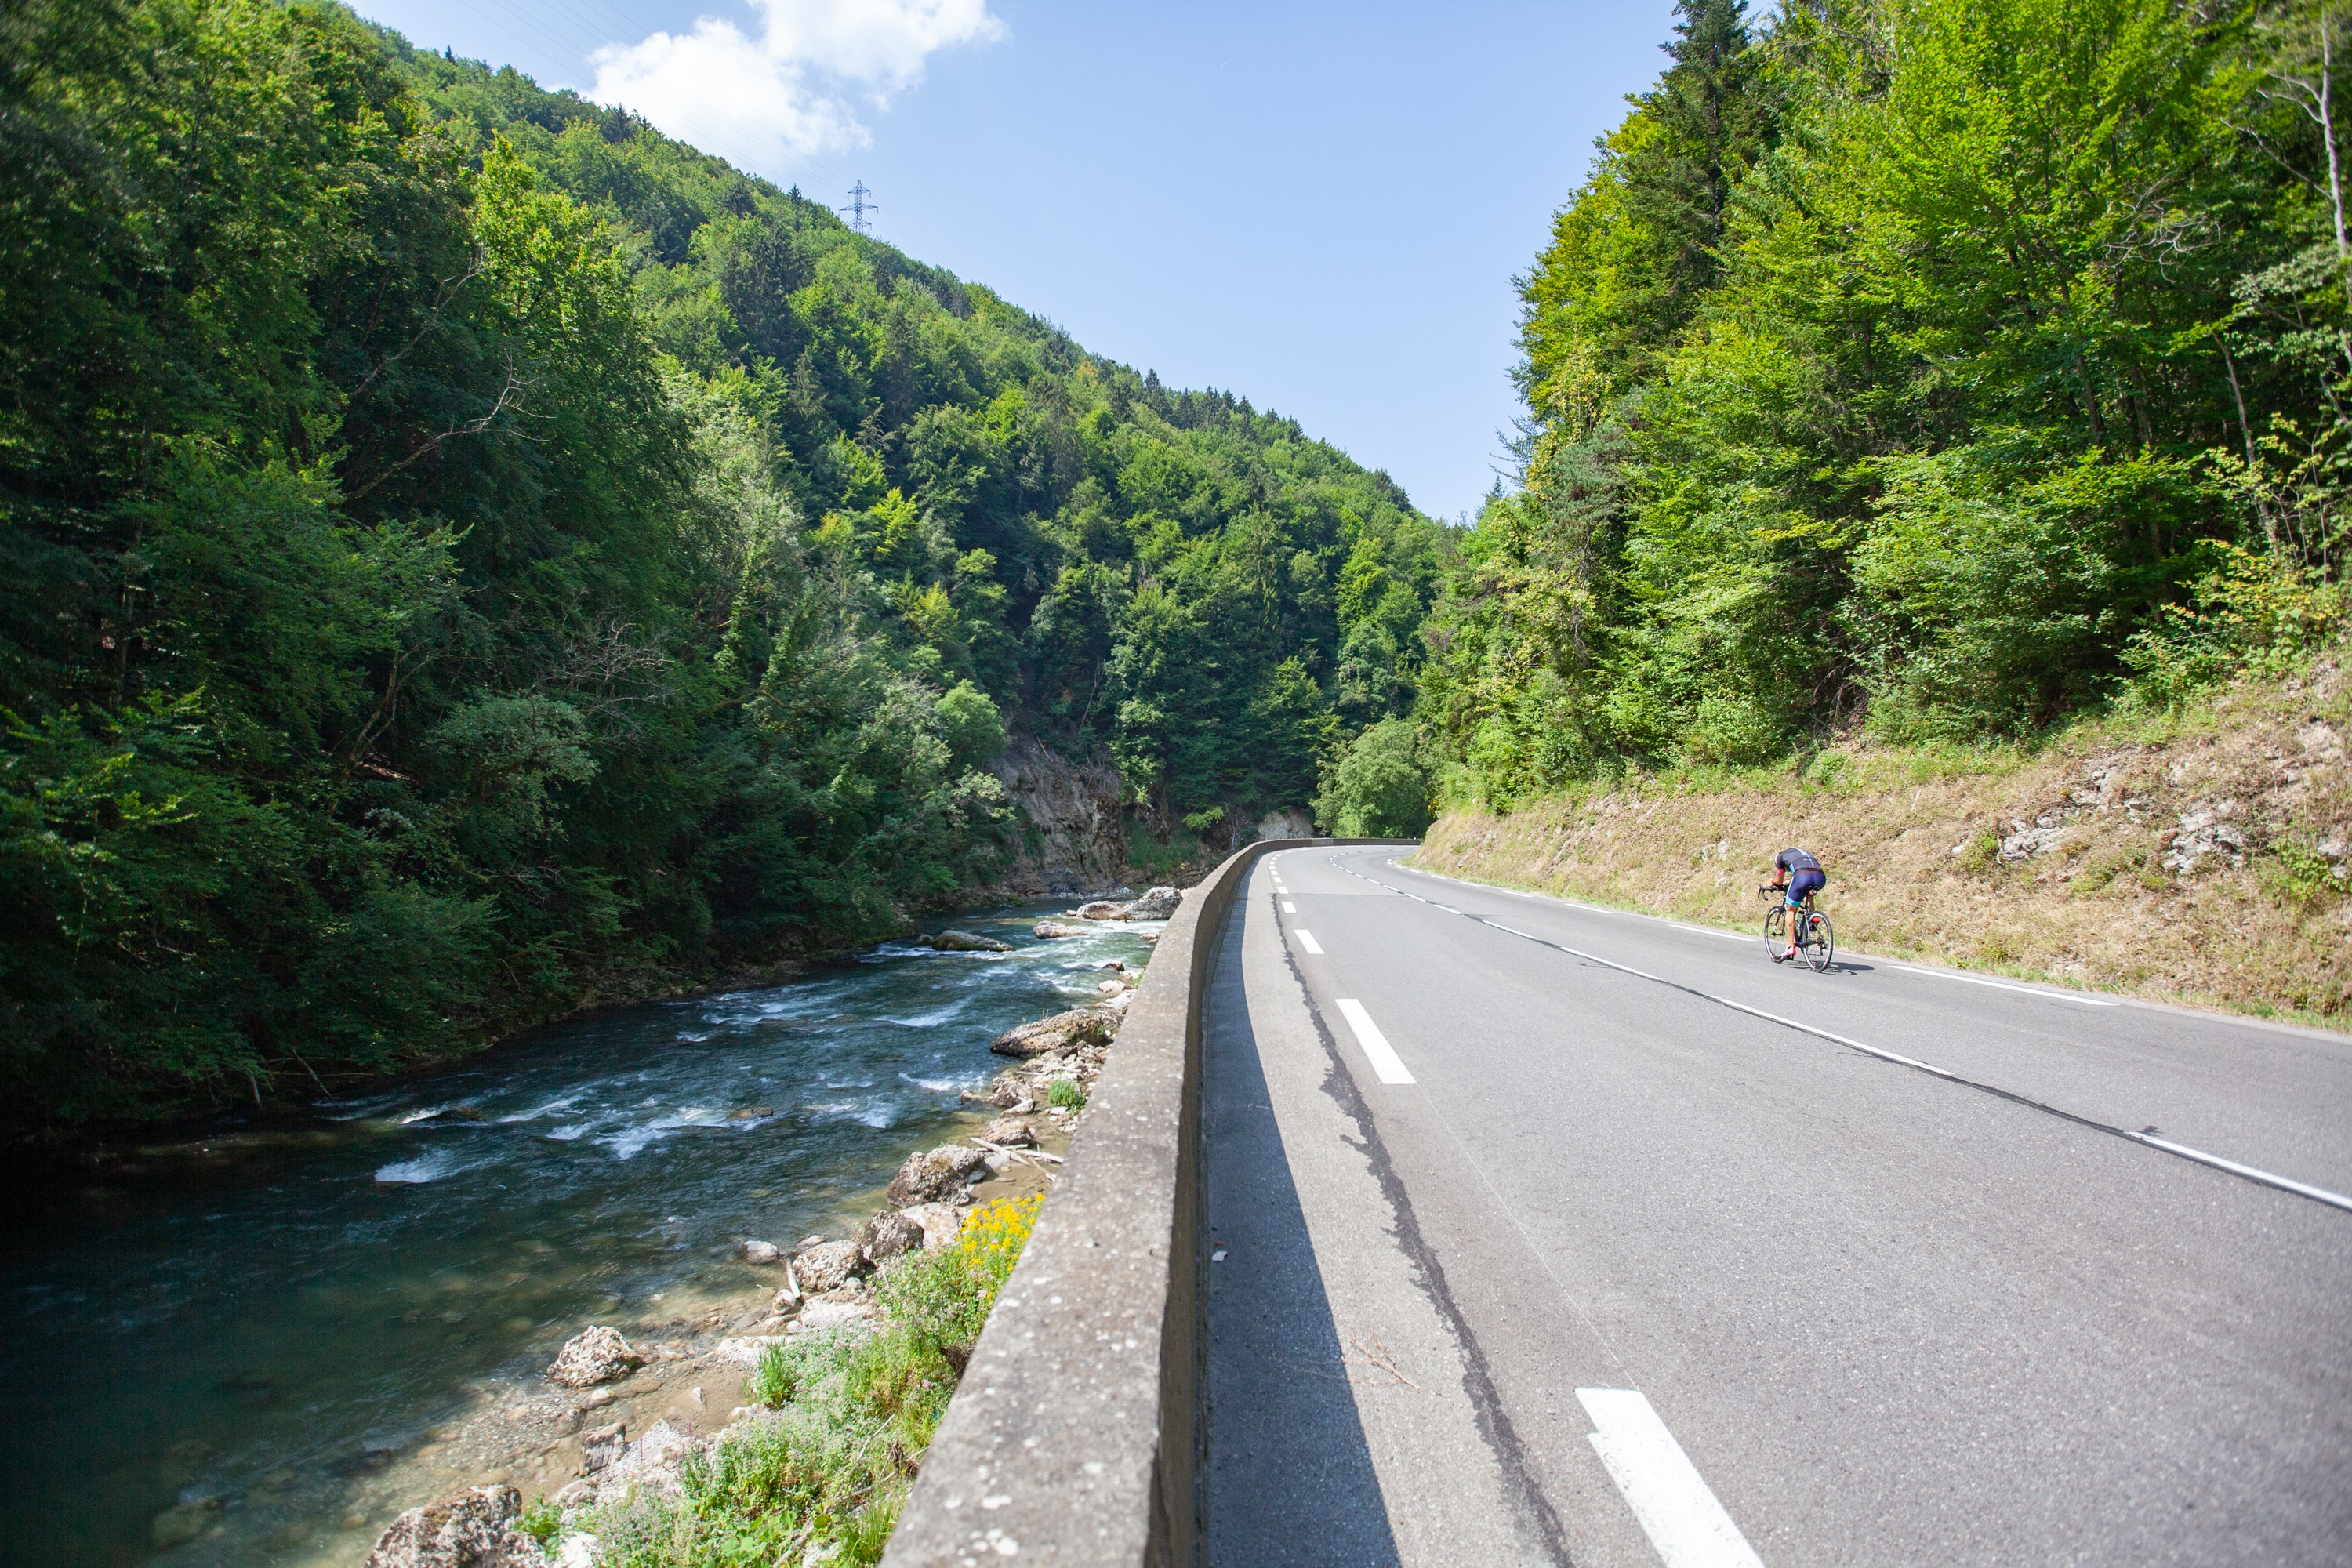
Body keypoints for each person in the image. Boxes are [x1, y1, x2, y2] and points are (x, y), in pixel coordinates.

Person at [1768, 847, 1826, 962]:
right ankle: (1812, 919)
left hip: (1802, 877)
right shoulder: (1802, 854)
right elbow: (1804, 871)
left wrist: (1773, 882)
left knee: (1790, 911)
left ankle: (1790, 947)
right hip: (1820, 877)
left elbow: (1779, 881)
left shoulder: (1780, 858)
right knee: (1808, 894)